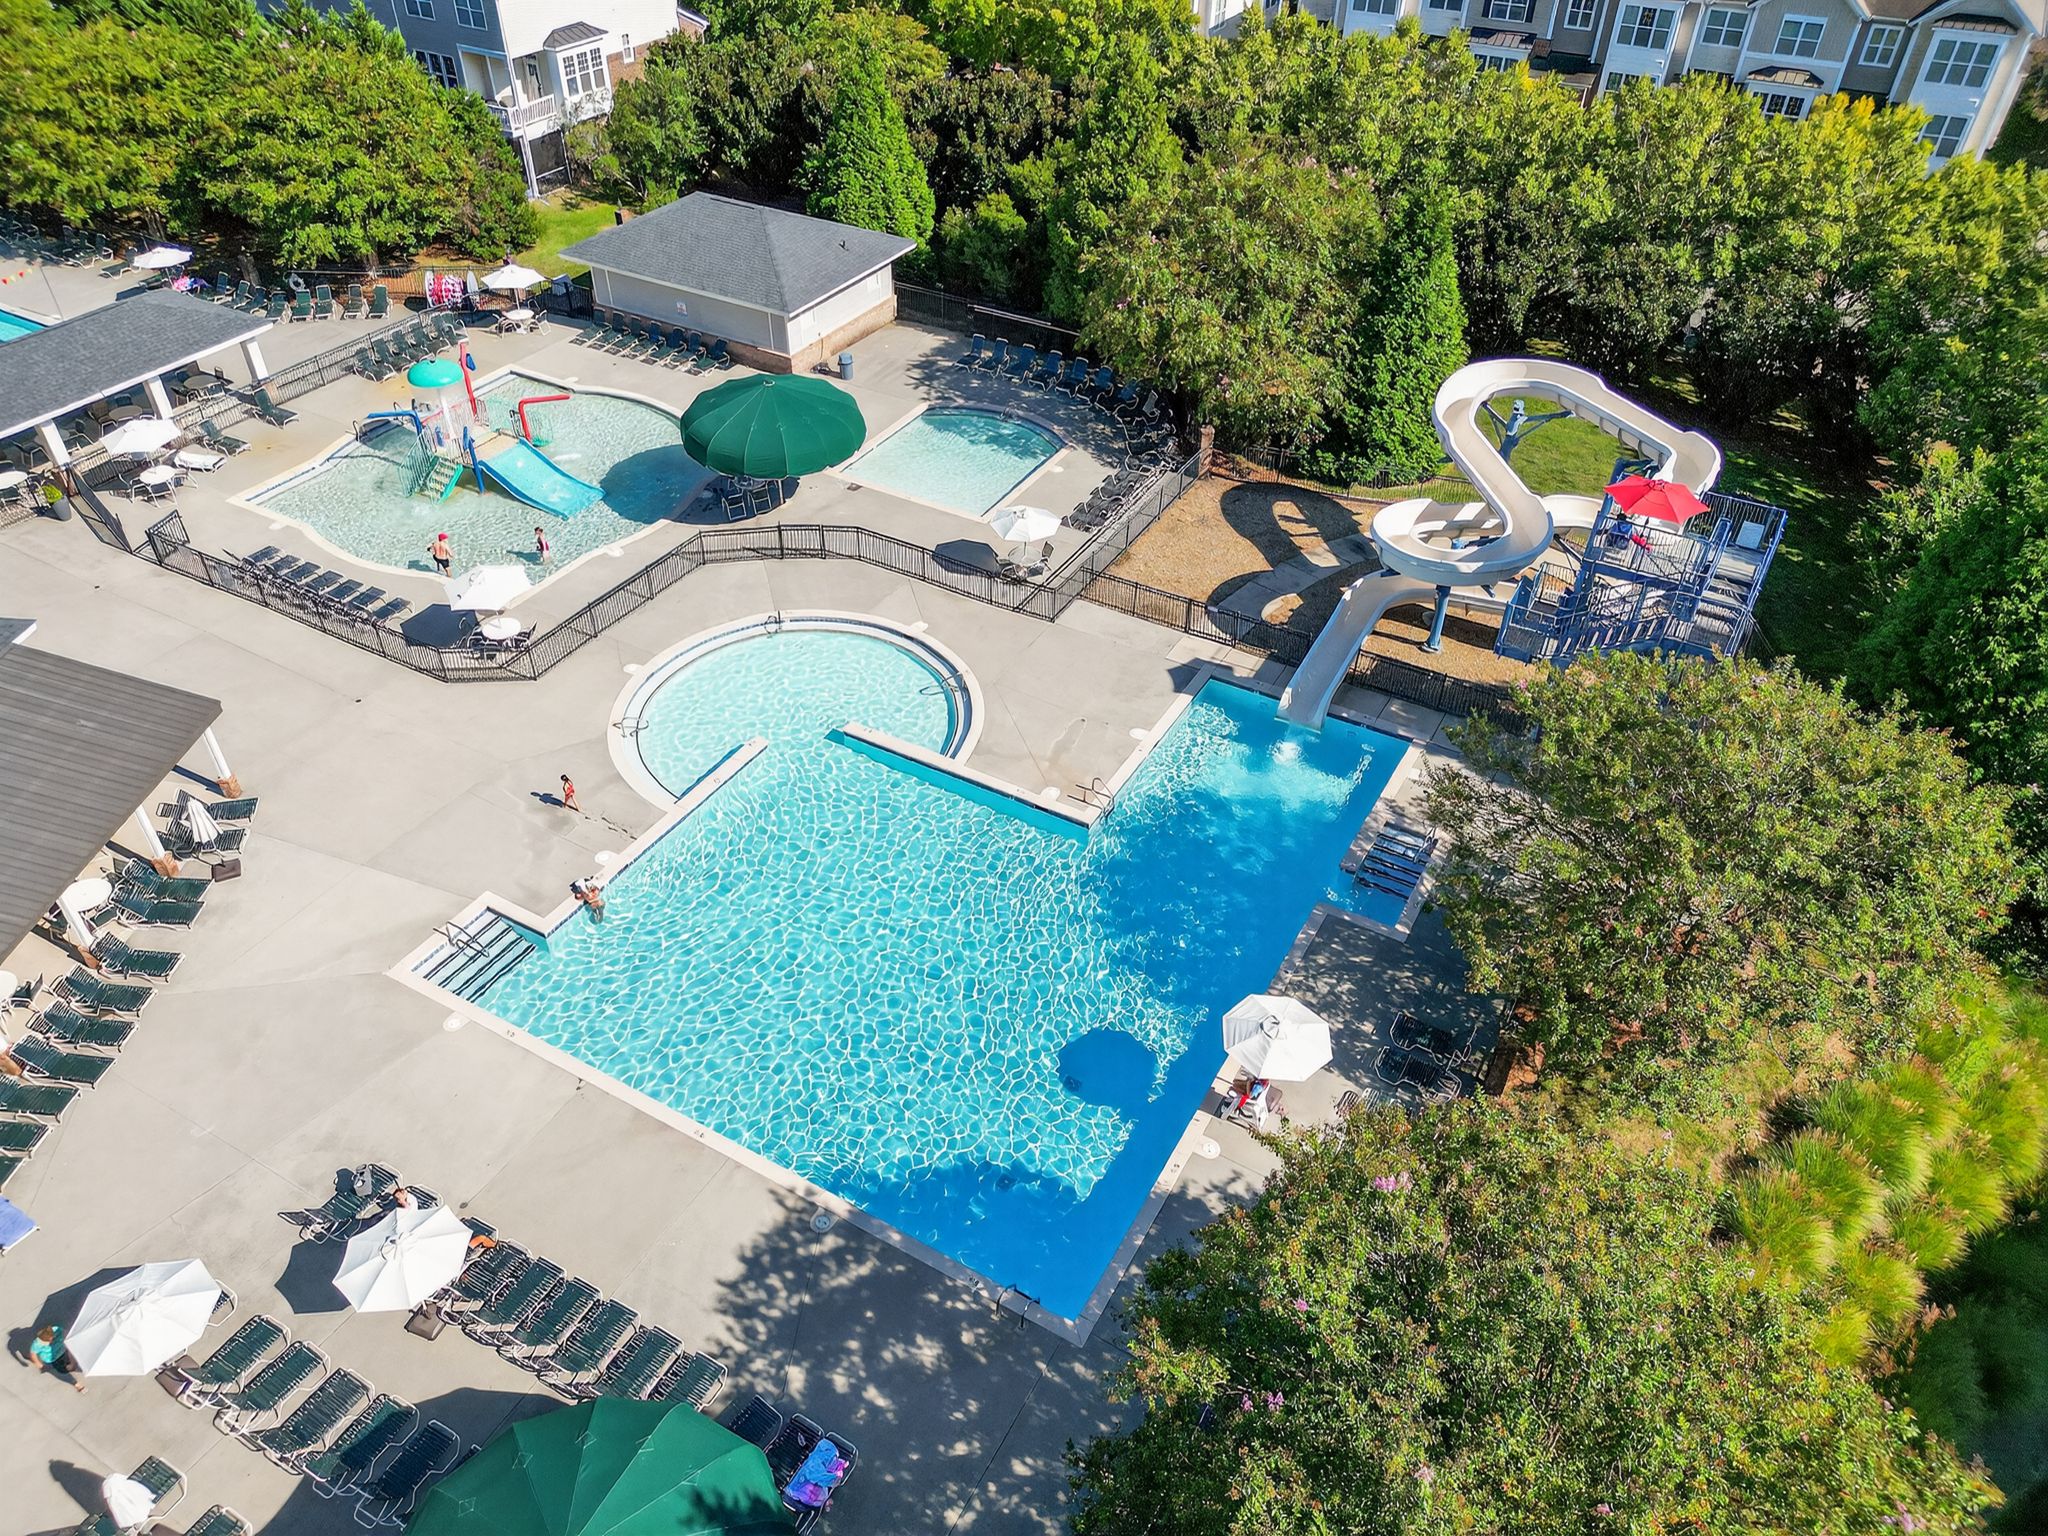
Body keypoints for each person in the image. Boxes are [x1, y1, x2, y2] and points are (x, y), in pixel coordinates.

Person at [28, 1325, 85, 1392]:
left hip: (62, 1351)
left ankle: (77, 1368)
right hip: (51, 1358)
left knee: (73, 1363)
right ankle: (74, 1382)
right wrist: (39, 1365)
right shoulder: (37, 1343)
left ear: (51, 1337)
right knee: (62, 1371)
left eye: (46, 1342)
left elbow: (66, 1333)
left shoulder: (57, 1329)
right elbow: (33, 1354)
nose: (46, 1344)